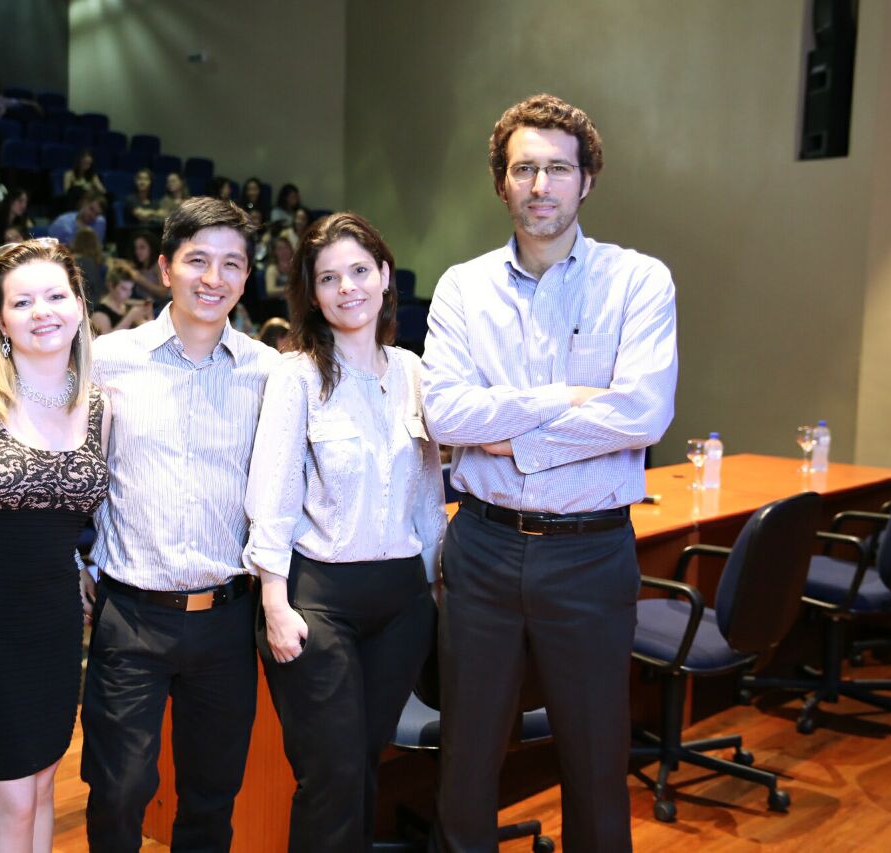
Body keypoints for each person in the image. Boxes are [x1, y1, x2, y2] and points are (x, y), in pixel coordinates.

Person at [421, 93, 678, 852]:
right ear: (501, 182)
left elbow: (641, 414)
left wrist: (513, 439)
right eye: (523, 168)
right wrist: (564, 400)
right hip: (484, 550)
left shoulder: (639, 282)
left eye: (557, 169)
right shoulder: (464, 287)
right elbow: (447, 416)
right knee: (465, 765)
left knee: (597, 764)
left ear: (587, 180)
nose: (540, 185)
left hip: (591, 553)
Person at [81, 197, 280, 851]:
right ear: (165, 266)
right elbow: (66, 472)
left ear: (247, 277)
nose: (213, 278)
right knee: (119, 790)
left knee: (211, 797)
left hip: (227, 618)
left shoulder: (268, 372)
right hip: (132, 612)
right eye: (197, 260)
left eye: (231, 264)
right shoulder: (109, 360)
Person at [244, 212, 443, 851]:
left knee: (362, 763)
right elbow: (271, 495)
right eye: (329, 278)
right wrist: (273, 603)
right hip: (318, 599)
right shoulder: (296, 374)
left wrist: (436, 586)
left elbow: (428, 494)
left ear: (386, 277)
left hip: (403, 600)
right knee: (330, 773)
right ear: (312, 291)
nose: (347, 288)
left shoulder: (413, 371)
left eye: (360, 271)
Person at [0, 239, 109, 852]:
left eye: (55, 295)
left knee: (45, 779)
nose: (41, 311)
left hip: (55, 617)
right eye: (22, 301)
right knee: (10, 791)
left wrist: (82, 565)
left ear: (79, 304)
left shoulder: (97, 400)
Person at [90, 265, 152, 336]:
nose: (129, 294)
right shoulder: (99, 313)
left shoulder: (126, 305)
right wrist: (130, 317)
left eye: (131, 289)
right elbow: (106, 343)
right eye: (124, 289)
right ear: (111, 286)